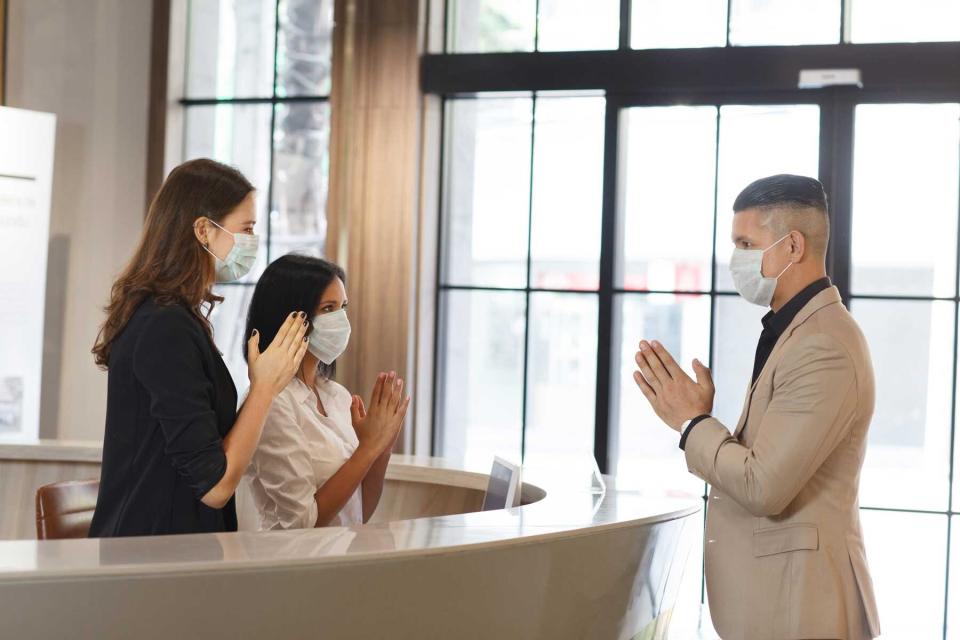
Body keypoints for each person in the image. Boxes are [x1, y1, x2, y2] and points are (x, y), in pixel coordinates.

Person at [632, 174, 880, 639]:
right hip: (783, 603)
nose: (736, 260)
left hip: (803, 609)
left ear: (792, 247)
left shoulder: (822, 344)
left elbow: (764, 486)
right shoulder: (796, 329)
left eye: (746, 243)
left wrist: (693, 422)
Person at [89, 158, 309, 537]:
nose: (252, 242)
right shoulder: (165, 326)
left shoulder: (177, 318)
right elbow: (215, 487)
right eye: (247, 228)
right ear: (204, 230)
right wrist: (265, 388)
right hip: (149, 563)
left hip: (175, 553)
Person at [242, 254, 409, 529]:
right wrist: (367, 449)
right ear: (291, 317)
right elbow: (302, 522)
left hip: (339, 558)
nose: (341, 319)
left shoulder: (336, 396)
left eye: (343, 307)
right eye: (328, 308)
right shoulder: (271, 403)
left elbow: (358, 514)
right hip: (293, 565)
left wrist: (382, 447)